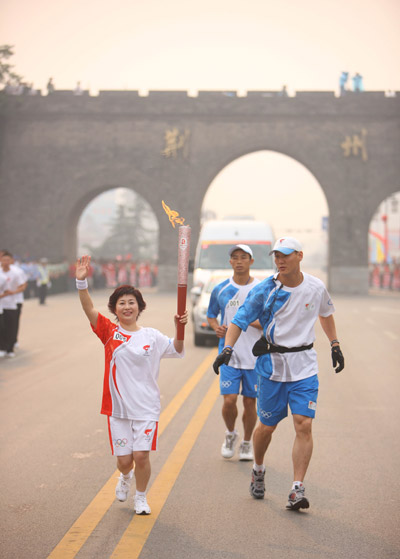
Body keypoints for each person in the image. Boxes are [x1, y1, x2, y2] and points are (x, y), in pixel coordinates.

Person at [213, 237, 345, 511]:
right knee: (266, 428)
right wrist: (227, 350)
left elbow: (326, 313)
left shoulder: (315, 287)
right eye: (277, 256)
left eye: (285, 255)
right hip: (272, 366)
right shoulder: (266, 289)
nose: (280, 261)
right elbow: (240, 320)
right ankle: (258, 470)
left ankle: (297, 488)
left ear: (299, 255)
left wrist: (334, 344)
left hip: (304, 365)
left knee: (303, 424)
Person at [75, 254, 188, 515]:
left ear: (139, 307)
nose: (127, 307)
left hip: (147, 406)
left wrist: (178, 329)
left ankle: (140, 496)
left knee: (142, 456)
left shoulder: (153, 336)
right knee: (125, 462)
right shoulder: (109, 332)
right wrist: (82, 284)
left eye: (132, 303)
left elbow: (177, 349)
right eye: (122, 303)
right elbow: (89, 309)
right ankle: (124, 477)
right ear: (115, 309)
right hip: (119, 409)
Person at [207, 245, 262, 461]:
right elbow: (212, 315)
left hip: (255, 355)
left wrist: (244, 321)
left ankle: (247, 442)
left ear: (251, 261)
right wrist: (216, 327)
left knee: (250, 402)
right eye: (235, 258)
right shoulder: (220, 289)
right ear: (230, 262)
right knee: (229, 400)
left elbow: (268, 320)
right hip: (229, 353)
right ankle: (231, 434)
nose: (239, 261)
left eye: (243, 258)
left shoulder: (261, 289)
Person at [0, 251, 27, 357]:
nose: (6, 262)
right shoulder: (1, 274)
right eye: (3, 259)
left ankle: (10, 346)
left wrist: (13, 293)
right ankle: (3, 346)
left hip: (14, 302)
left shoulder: (17, 272)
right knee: (2, 327)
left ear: (11, 260)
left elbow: (23, 285)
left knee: (12, 325)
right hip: (2, 305)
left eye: (8, 259)